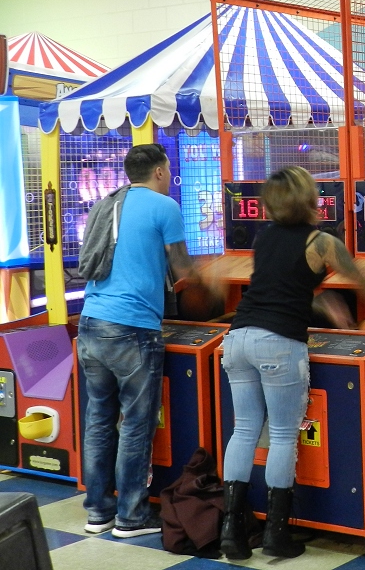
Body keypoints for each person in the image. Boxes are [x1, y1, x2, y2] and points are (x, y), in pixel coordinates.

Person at [219, 166, 365, 559]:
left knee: (244, 431)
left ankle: (231, 530)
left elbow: (282, 284)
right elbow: (363, 282)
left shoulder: (264, 239)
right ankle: (276, 535)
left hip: (237, 339)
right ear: (309, 199)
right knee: (282, 435)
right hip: (279, 344)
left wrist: (323, 304)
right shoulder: (322, 242)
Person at [77, 143, 213, 538]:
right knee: (136, 424)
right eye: (168, 170)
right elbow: (183, 267)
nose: (169, 177)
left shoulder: (108, 205)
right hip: (133, 328)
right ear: (158, 172)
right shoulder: (163, 205)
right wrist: (214, 276)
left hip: (91, 323)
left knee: (99, 420)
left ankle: (97, 512)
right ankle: (131, 517)